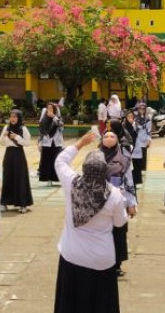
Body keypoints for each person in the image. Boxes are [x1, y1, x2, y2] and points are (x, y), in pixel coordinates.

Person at [54, 132, 127, 313]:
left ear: (84, 169)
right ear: (104, 171)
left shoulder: (71, 184)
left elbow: (60, 162)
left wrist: (80, 143)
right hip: (101, 260)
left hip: (73, 256)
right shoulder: (114, 194)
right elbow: (120, 223)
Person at [99, 131, 137, 277]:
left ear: (117, 140)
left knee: (118, 232)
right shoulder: (95, 156)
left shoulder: (124, 159)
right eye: (106, 136)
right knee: (102, 232)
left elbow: (129, 181)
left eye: (112, 136)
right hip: (100, 202)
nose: (109, 138)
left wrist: (131, 203)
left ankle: (116, 265)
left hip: (118, 200)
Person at [0, 109, 33, 214]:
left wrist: (17, 137)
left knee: (20, 178)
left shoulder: (23, 128)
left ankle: (22, 204)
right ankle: (4, 203)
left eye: (15, 117)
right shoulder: (6, 128)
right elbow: (1, 142)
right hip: (8, 154)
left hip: (18, 154)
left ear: (18, 118)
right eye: (11, 116)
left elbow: (27, 143)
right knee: (7, 177)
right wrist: (4, 136)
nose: (12, 119)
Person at [38, 102, 64, 185]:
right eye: (48, 108)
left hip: (56, 142)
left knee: (57, 160)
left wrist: (54, 117)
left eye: (51, 108)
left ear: (54, 110)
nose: (49, 110)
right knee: (47, 161)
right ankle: (48, 179)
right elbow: (41, 131)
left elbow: (61, 126)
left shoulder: (58, 118)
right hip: (46, 142)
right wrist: (39, 142)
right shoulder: (44, 119)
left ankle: (57, 178)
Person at [132, 103, 152, 185]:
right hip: (135, 140)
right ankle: (136, 175)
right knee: (135, 158)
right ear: (137, 109)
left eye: (144, 109)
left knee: (143, 156)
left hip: (143, 140)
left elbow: (149, 130)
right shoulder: (134, 118)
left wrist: (149, 139)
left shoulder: (147, 118)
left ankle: (142, 170)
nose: (142, 110)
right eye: (140, 108)